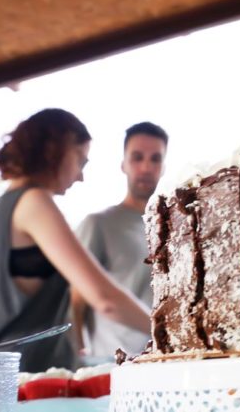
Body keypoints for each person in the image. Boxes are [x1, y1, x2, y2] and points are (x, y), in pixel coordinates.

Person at [0, 109, 150, 372]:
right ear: (55, 150)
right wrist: (165, 327)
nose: (80, 176)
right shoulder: (34, 202)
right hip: (22, 379)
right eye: (80, 161)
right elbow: (104, 298)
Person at [70, 122, 168, 361]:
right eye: (137, 157)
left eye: (155, 159)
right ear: (123, 164)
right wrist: (76, 357)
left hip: (166, 362)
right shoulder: (98, 224)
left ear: (163, 167)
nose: (146, 166)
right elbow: (75, 302)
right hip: (112, 366)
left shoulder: (172, 228)